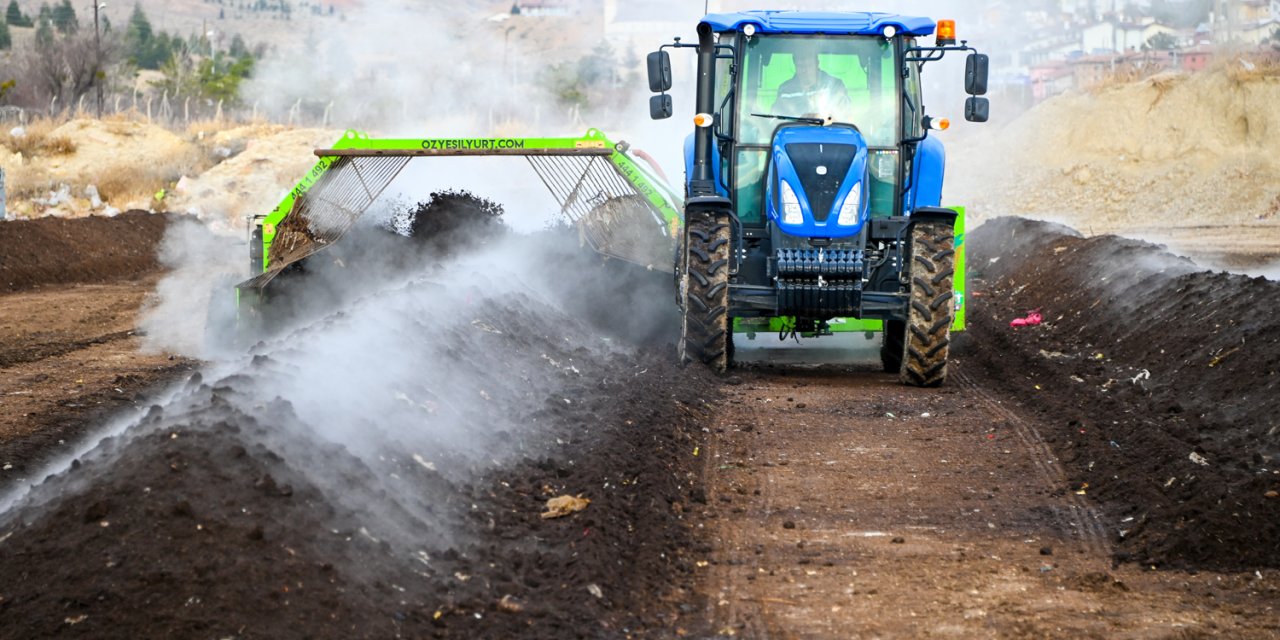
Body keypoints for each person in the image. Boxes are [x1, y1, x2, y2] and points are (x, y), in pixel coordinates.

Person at [772, 52, 851, 119]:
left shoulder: (835, 86)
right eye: (800, 66)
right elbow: (776, 120)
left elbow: (845, 117)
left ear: (817, 63)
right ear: (794, 64)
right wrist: (800, 121)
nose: (805, 70)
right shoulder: (785, 90)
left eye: (809, 65)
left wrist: (822, 119)